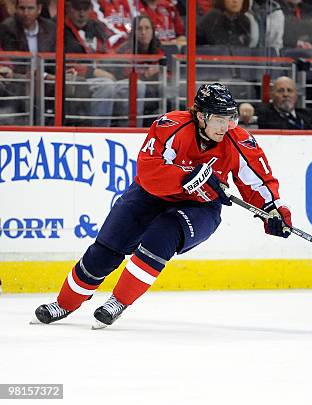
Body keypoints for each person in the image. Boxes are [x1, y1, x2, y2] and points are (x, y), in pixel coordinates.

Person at [32, 83, 293, 328]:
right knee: (106, 248)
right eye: (219, 119)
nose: (226, 126)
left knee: (162, 235)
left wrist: (274, 211)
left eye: (230, 118)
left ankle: (118, 301)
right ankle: (64, 304)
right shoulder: (170, 126)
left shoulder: (238, 141)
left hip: (200, 208)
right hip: (150, 195)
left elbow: (259, 182)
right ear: (201, 116)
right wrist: (185, 177)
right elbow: (148, 170)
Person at [239, 76, 312, 129]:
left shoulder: (309, 115)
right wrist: (244, 106)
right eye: (281, 91)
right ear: (272, 95)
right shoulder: (265, 113)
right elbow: (248, 109)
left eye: (289, 90)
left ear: (296, 95)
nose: (285, 94)